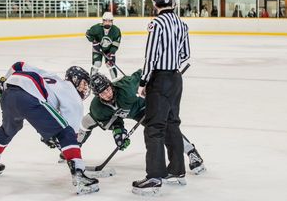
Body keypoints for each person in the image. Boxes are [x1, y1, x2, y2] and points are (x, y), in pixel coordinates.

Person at [0, 62, 99, 195]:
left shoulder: (52, 77)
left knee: (9, 128)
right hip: (29, 97)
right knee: (66, 131)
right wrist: (62, 145)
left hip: (9, 93)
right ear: (75, 80)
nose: (85, 88)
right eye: (83, 83)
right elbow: (70, 133)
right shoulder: (72, 94)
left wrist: (3, 83)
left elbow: (19, 65)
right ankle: (79, 174)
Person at [77, 72, 205, 174]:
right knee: (86, 121)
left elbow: (143, 73)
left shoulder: (127, 87)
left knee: (165, 129)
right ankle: (74, 147)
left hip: (144, 107)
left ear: (111, 85)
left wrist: (156, 85)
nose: (108, 94)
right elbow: (110, 121)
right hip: (127, 113)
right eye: (103, 93)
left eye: (108, 89)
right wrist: (118, 132)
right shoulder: (97, 107)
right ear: (97, 95)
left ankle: (192, 153)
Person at [133, 0, 191, 196]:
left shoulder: (156, 24)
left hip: (160, 79)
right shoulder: (182, 24)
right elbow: (186, 55)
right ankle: (177, 171)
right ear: (173, 1)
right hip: (176, 78)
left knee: (154, 127)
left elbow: (151, 57)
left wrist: (143, 82)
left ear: (154, 3)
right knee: (172, 123)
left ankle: (154, 177)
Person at [85, 12, 122, 80]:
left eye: (109, 21)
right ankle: (91, 82)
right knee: (97, 64)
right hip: (97, 49)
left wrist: (111, 53)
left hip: (109, 49)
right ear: (103, 21)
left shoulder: (116, 30)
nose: (107, 23)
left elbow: (116, 44)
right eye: (105, 21)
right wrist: (94, 41)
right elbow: (88, 34)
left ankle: (116, 83)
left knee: (111, 65)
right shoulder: (96, 28)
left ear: (112, 21)